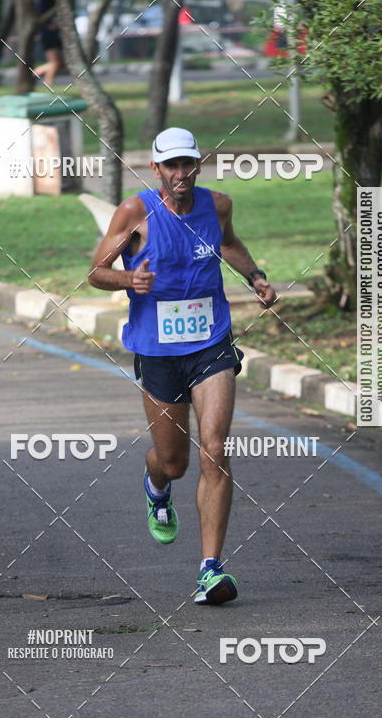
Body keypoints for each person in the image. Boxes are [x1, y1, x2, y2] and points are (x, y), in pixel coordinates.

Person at [88, 128, 276, 605]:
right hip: (158, 350)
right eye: (170, 165)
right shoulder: (136, 212)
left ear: (199, 164)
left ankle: (210, 570)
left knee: (215, 447)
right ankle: (155, 484)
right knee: (175, 461)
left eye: (187, 164)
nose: (179, 173)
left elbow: (229, 245)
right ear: (156, 170)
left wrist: (255, 277)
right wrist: (129, 277)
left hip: (211, 343)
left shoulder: (218, 206)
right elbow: (95, 272)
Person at [34, 0, 65, 87]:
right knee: (55, 63)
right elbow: (40, 13)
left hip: (55, 34)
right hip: (48, 35)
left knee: (60, 63)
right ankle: (48, 84)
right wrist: (48, 25)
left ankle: (35, 73)